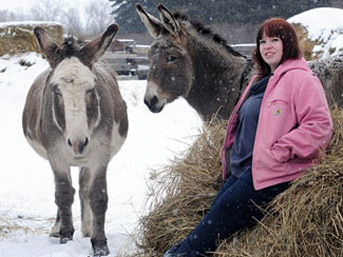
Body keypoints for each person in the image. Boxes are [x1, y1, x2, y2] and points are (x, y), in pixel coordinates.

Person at [164, 18, 333, 257]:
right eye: (263, 41)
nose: (268, 46)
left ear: (289, 44)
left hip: (278, 170)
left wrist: (281, 150)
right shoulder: (260, 81)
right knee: (215, 213)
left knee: (223, 211)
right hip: (248, 167)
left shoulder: (301, 78)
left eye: (275, 40)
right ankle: (181, 250)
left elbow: (320, 126)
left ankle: (182, 254)